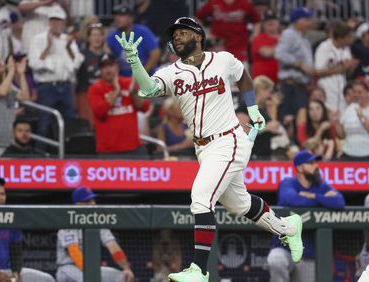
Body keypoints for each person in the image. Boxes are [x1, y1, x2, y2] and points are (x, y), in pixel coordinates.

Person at [115, 17, 303, 281]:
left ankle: (199, 270)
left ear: (198, 36)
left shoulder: (223, 59)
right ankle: (289, 228)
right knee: (240, 204)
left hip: (229, 141)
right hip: (203, 148)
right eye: (174, 35)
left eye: (182, 32)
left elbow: (244, 78)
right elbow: (147, 91)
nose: (177, 37)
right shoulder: (172, 71)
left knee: (201, 197)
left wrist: (252, 109)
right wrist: (135, 62)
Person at [266, 150, 345, 282]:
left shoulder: (320, 186)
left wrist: (314, 196)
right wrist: (323, 201)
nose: (316, 166)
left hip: (308, 255)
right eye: (311, 163)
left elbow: (339, 202)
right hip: (285, 250)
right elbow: (292, 200)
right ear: (299, 168)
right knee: (276, 259)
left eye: (316, 162)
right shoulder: (288, 183)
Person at [0, 178, 55, 282]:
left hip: (8, 270)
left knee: (47, 279)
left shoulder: (11, 217)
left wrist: (15, 273)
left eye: (2, 194)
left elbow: (16, 253)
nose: (0, 197)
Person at [56, 187, 135, 282]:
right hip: (68, 268)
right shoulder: (68, 224)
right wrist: (92, 273)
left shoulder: (98, 222)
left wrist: (126, 268)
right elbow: (74, 253)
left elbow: (113, 246)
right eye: (88, 201)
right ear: (77, 204)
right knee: (87, 279)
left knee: (121, 277)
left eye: (93, 200)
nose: (93, 204)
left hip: (90, 268)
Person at [28, 6, 83, 141]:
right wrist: (48, 47)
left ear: (64, 22)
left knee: (70, 122)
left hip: (65, 86)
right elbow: (34, 64)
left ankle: (69, 156)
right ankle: (41, 156)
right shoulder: (38, 39)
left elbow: (77, 63)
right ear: (49, 22)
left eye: (58, 21)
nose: (55, 24)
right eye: (53, 20)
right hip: (47, 87)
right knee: (44, 123)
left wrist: (69, 48)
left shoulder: (68, 40)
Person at [87, 53, 150, 156]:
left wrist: (134, 93)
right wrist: (116, 91)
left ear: (117, 67)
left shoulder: (128, 83)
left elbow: (145, 107)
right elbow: (100, 112)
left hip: (133, 148)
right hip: (108, 151)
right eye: (104, 67)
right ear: (100, 70)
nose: (108, 70)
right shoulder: (95, 89)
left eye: (111, 66)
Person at [274, 7, 315, 132]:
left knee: (299, 121)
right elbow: (279, 53)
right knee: (288, 121)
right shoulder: (290, 34)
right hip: (291, 86)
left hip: (300, 85)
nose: (310, 21)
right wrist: (300, 65)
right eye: (307, 19)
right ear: (297, 21)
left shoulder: (302, 37)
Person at [336, 78, 369, 160]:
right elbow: (342, 135)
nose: (356, 95)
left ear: (368, 93)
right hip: (349, 155)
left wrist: (362, 119)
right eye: (354, 92)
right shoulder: (349, 109)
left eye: (360, 92)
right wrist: (336, 122)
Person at [196, 0, 260, 62]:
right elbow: (198, 18)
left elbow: (257, 20)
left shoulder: (244, 3)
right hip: (218, 49)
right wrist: (204, 34)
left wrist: (255, 35)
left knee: (240, 70)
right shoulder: (214, 3)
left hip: (239, 48)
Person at [314, 21, 358, 113]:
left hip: (342, 87)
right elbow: (318, 72)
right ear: (340, 39)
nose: (351, 39)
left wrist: (351, 67)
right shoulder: (324, 47)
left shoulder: (346, 49)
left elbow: (348, 72)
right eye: (348, 37)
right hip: (326, 87)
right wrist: (342, 67)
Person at [106, 4, 160, 77]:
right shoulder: (112, 37)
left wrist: (141, 75)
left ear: (131, 18)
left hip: (148, 77)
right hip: (124, 81)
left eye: (122, 15)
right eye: (116, 15)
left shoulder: (143, 31)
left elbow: (155, 54)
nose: (117, 18)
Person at [236, 75, 282, 159]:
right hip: (250, 156)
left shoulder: (262, 110)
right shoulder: (245, 107)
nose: (270, 96)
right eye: (269, 92)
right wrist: (265, 128)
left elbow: (272, 126)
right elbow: (242, 131)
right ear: (261, 90)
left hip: (265, 155)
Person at [76, 23, 106, 125]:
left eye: (99, 35)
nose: (97, 38)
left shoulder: (107, 57)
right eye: (94, 35)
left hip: (104, 96)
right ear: (88, 38)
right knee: (88, 124)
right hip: (86, 95)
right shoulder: (80, 56)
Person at [251, 9, 281, 83]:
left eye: (273, 19)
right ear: (263, 24)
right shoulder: (259, 38)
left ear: (278, 22)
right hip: (262, 84)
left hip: (282, 83)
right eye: (267, 20)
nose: (270, 22)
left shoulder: (285, 37)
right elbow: (266, 53)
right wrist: (283, 46)